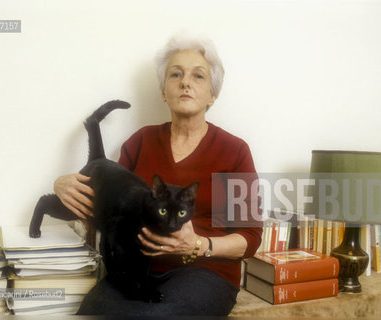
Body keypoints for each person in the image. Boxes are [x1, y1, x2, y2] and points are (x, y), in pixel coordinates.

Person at [53, 34, 262, 316]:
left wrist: (198, 244)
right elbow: (110, 206)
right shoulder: (141, 142)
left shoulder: (234, 151)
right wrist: (63, 185)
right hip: (135, 268)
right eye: (176, 74)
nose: (185, 82)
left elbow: (249, 239)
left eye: (198, 76)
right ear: (164, 91)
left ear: (213, 95)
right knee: (90, 314)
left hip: (205, 272)